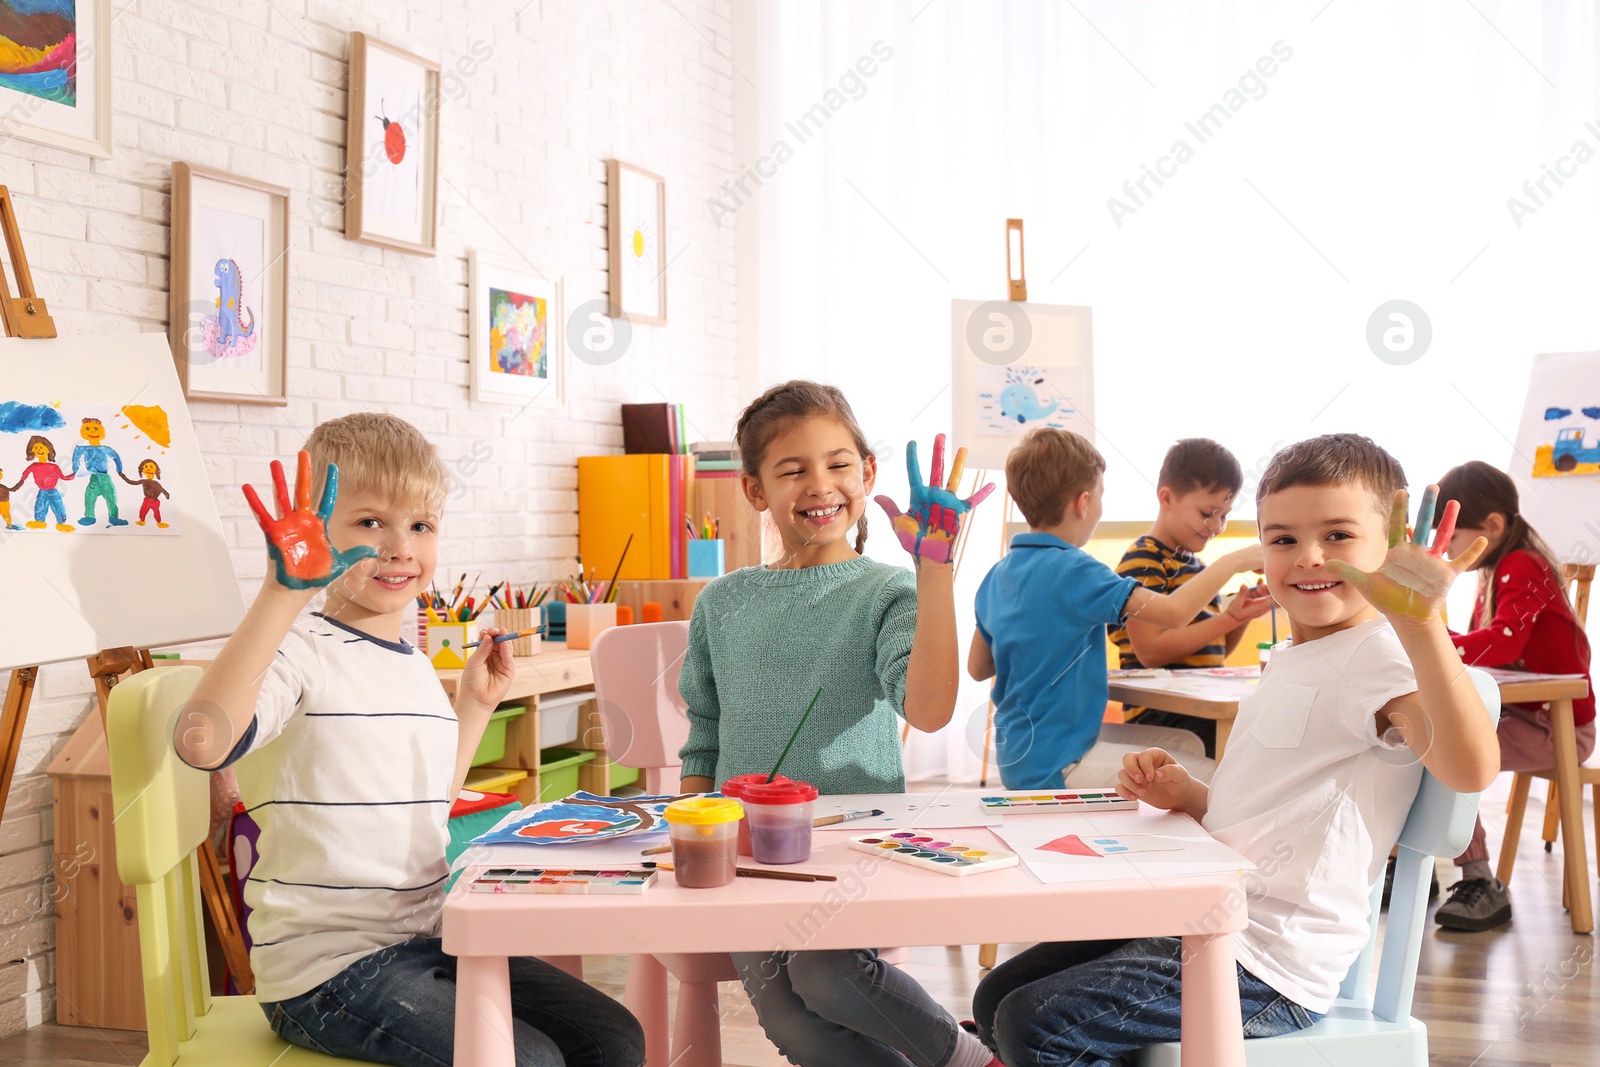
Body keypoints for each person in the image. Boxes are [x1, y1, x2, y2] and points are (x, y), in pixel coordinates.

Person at [973, 433, 1500, 1066]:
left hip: (1270, 965)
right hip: (1208, 916)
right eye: (1281, 539)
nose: (1307, 557)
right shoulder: (1293, 657)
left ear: (1389, 546)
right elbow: (1278, 801)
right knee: (996, 996)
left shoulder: (1384, 657)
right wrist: (1193, 796)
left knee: (1037, 1023)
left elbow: (1470, 768)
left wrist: (1422, 625)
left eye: (1337, 536)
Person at [172, 413, 643, 1067]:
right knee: (527, 1060)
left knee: (613, 1038)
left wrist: (475, 705)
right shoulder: (298, 650)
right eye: (370, 523)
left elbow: (426, 801)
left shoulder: (414, 663)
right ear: (315, 530)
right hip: (329, 972)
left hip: (433, 939)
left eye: (420, 525)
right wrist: (281, 592)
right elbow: (203, 743)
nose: (401, 547)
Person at [677, 380, 1001, 1067]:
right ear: (755, 490)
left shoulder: (887, 590)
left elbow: (930, 707)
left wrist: (935, 571)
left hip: (855, 847)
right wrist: (693, 824)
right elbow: (704, 727)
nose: (819, 484)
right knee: (789, 1023)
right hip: (749, 850)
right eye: (792, 469)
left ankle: (973, 1061)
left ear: (868, 473)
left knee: (826, 974)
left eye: (837, 463)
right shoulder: (723, 602)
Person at [968, 427, 1266, 790]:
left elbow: (978, 668)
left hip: (1017, 756)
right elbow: (1173, 613)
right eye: (1101, 497)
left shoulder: (996, 575)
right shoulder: (1078, 570)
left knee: (1186, 747)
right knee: (1215, 780)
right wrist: (1236, 560)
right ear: (1083, 502)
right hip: (1061, 762)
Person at [1428, 459, 1594, 931]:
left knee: (1443, 749)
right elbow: (1495, 646)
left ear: (1493, 526)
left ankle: (1480, 880)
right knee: (1427, 738)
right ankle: (1416, 859)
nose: (1447, 549)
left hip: (1558, 728)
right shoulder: (1496, 570)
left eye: (1452, 536)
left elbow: (1504, 642)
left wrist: (1438, 641)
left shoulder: (1523, 564)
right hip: (1529, 719)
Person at [1108, 438, 1273, 756]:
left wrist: (1237, 618)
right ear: (1167, 498)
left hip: (1199, 708)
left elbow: (1212, 653)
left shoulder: (1197, 568)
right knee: (1257, 748)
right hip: (1157, 716)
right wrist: (1226, 614)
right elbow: (1151, 652)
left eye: (1223, 515)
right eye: (1207, 513)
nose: (1216, 526)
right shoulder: (1143, 561)